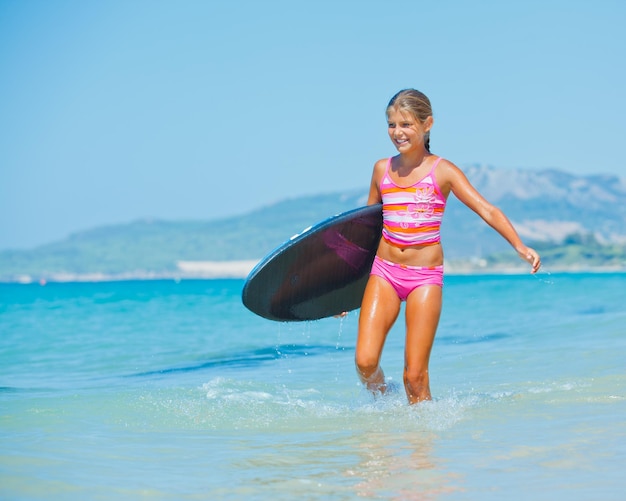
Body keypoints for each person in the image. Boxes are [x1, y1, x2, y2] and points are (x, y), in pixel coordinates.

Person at [355, 89, 541, 405]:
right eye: (391, 125)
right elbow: (365, 230)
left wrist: (519, 245)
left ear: (427, 124)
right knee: (365, 362)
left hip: (424, 278)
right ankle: (384, 408)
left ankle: (422, 446)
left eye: (406, 124)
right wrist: (341, 287)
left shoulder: (443, 171)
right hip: (384, 272)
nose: (397, 132)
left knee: (414, 376)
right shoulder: (381, 170)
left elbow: (487, 209)